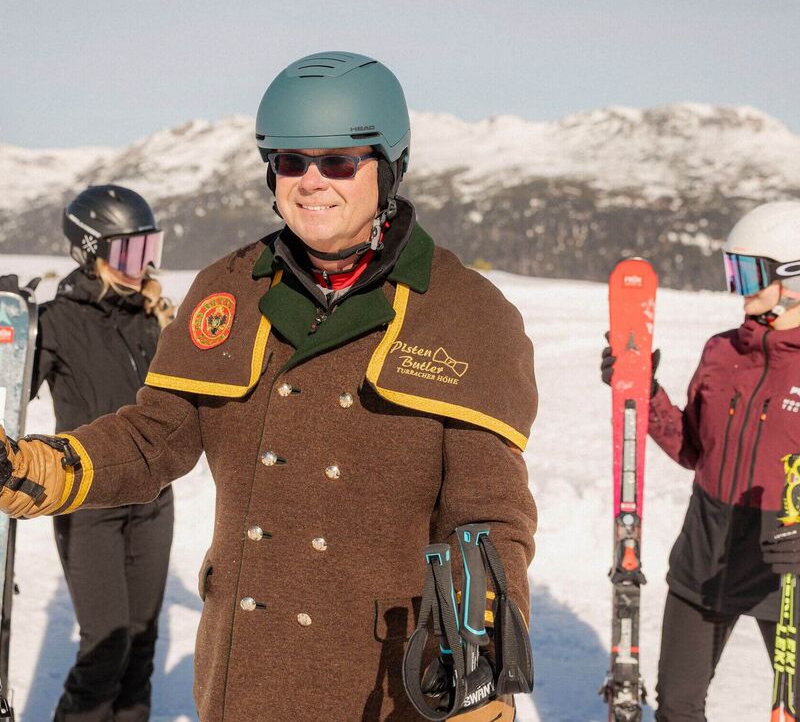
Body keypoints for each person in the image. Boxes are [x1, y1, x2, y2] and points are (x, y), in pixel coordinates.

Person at [0, 52, 538, 722]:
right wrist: (39, 468)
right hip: (243, 678)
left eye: (338, 161)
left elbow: (486, 517)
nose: (311, 182)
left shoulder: (466, 313)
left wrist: (479, 666)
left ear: (389, 169)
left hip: (387, 687)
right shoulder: (230, 287)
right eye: (291, 161)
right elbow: (151, 441)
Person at [601, 201, 800, 721]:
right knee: (678, 707)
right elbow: (693, 447)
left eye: (750, 272)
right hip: (704, 556)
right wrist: (643, 393)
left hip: (785, 568)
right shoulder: (722, 352)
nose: (739, 287)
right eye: (733, 270)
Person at [28, 184, 174, 721]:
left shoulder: (154, 317)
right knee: (105, 649)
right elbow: (7, 389)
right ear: (90, 252)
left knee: (140, 646)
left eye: (147, 249)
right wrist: (7, 328)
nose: (142, 266)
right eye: (127, 252)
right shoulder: (57, 320)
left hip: (155, 499)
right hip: (86, 500)